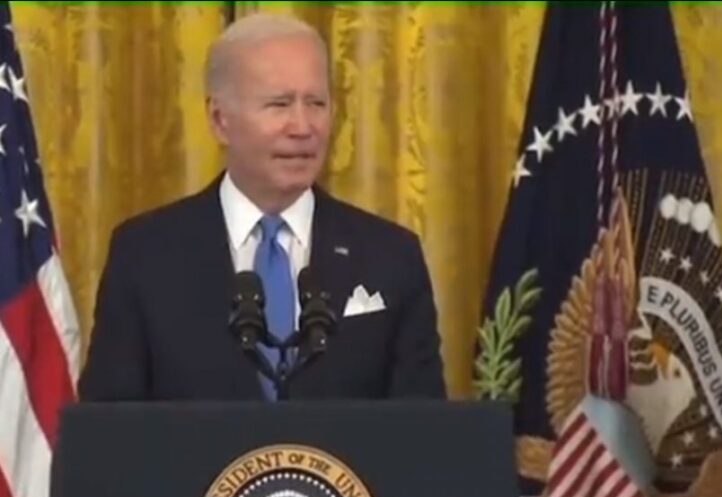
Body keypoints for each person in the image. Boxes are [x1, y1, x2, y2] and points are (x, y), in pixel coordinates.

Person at [77, 12, 446, 401]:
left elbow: (423, 428)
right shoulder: (145, 256)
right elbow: (108, 428)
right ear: (220, 120)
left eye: (316, 103)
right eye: (279, 104)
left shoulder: (391, 257)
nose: (302, 126)